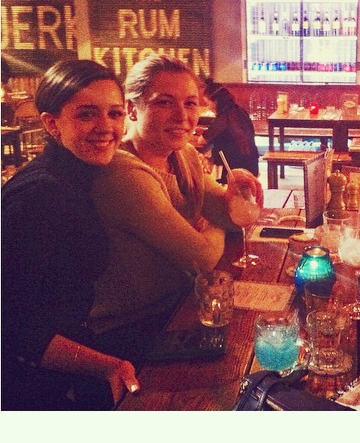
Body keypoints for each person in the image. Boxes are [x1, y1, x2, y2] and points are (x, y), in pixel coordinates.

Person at [88, 55, 263, 359]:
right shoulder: (121, 171)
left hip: (180, 304)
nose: (183, 116)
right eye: (164, 102)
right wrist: (212, 223)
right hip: (130, 331)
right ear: (132, 109)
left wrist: (235, 193)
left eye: (191, 103)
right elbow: (202, 258)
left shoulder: (184, 156)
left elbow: (235, 219)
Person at [1, 60, 140, 410]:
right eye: (86, 114)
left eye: (114, 113)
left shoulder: (76, 176)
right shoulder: (42, 196)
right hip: (30, 387)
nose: (106, 127)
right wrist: (107, 366)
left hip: (68, 360)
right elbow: (13, 326)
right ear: (51, 124)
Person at [198, 80, 260, 184]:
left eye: (208, 103)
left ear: (215, 102)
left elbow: (201, 141)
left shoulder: (223, 118)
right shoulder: (239, 110)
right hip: (252, 164)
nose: (208, 107)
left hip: (234, 170)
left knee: (203, 166)